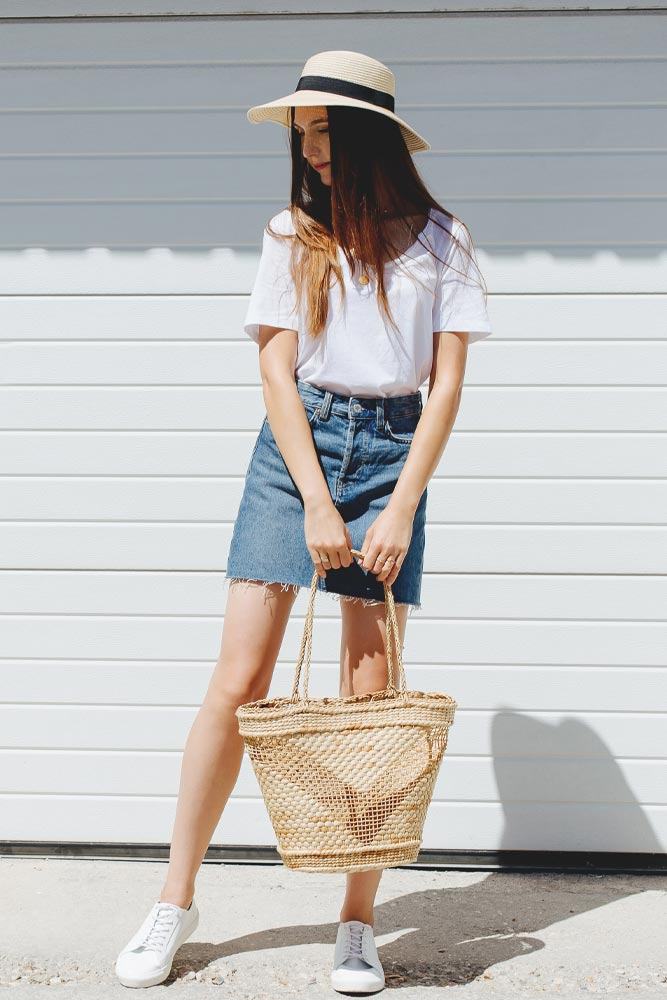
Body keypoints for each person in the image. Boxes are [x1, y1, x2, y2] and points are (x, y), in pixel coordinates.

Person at [115, 49, 492, 993]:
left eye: (326, 131)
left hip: (392, 461)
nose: (312, 150)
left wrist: (398, 504)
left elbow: (445, 386)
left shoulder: (443, 241)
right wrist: (317, 499)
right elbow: (277, 373)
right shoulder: (292, 234)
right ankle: (174, 897)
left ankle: (357, 922)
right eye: (304, 134)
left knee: (368, 700)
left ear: (370, 135)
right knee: (238, 682)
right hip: (296, 459)